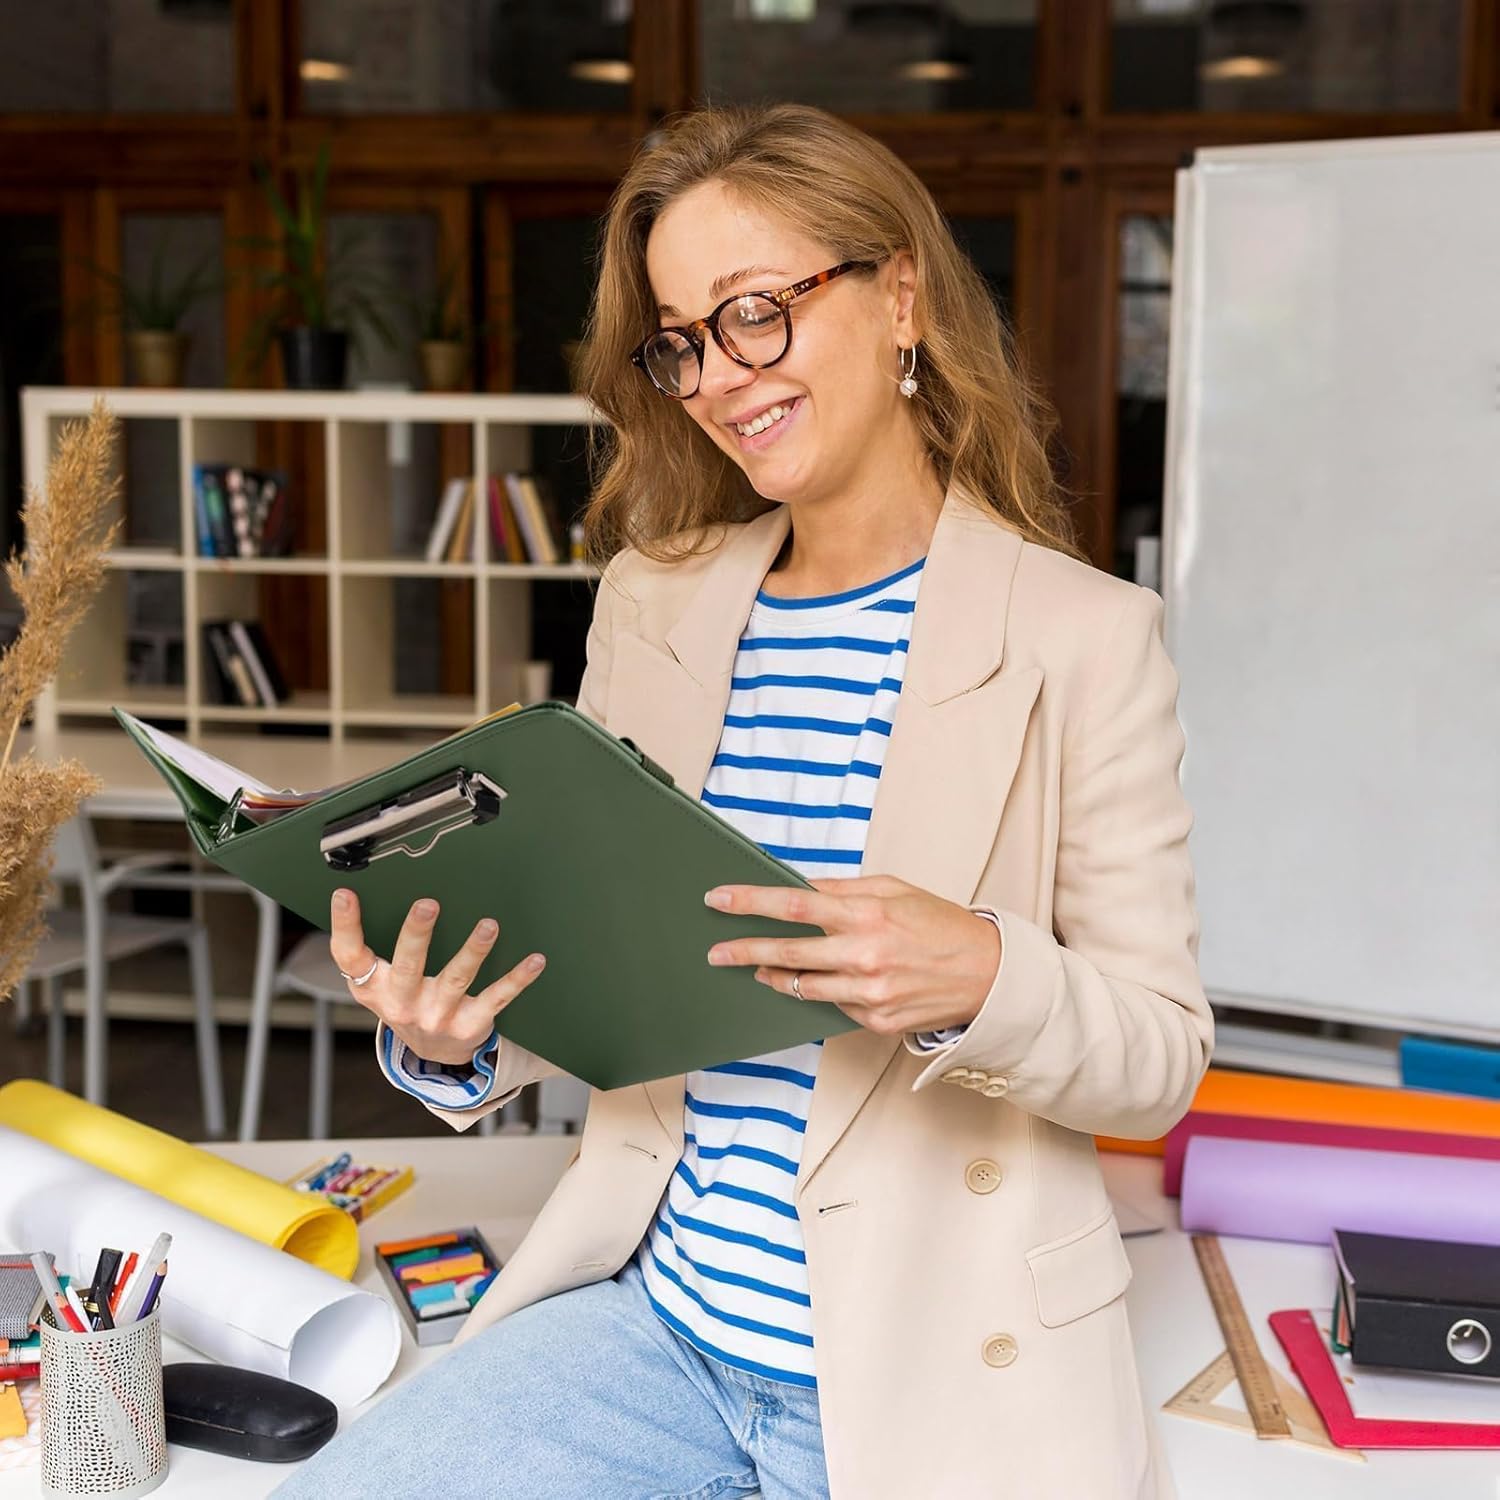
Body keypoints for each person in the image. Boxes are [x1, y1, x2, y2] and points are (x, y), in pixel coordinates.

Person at [274, 102, 1212, 1500]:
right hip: (656, 1335)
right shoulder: (650, 604)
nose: (718, 377)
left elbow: (1161, 1057)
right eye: (683, 341)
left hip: (934, 1377)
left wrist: (982, 973)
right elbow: (598, 968)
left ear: (901, 299)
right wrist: (452, 1038)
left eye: (757, 313)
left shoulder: (1086, 636)